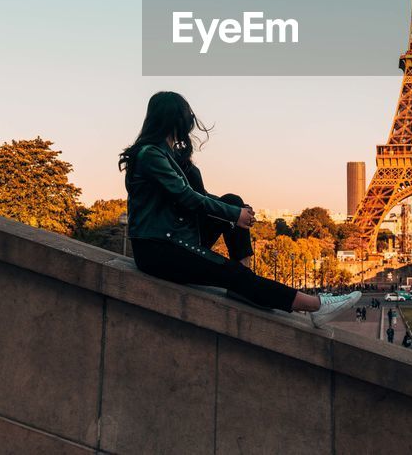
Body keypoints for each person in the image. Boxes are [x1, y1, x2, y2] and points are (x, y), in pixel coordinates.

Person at [120, 92, 359, 326]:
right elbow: (188, 198)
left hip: (174, 237)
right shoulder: (151, 154)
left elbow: (200, 196)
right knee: (232, 259)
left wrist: (236, 210)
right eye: (187, 116)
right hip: (159, 249)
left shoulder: (166, 154)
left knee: (233, 200)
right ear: (175, 119)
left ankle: (244, 279)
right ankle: (316, 306)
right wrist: (235, 215)